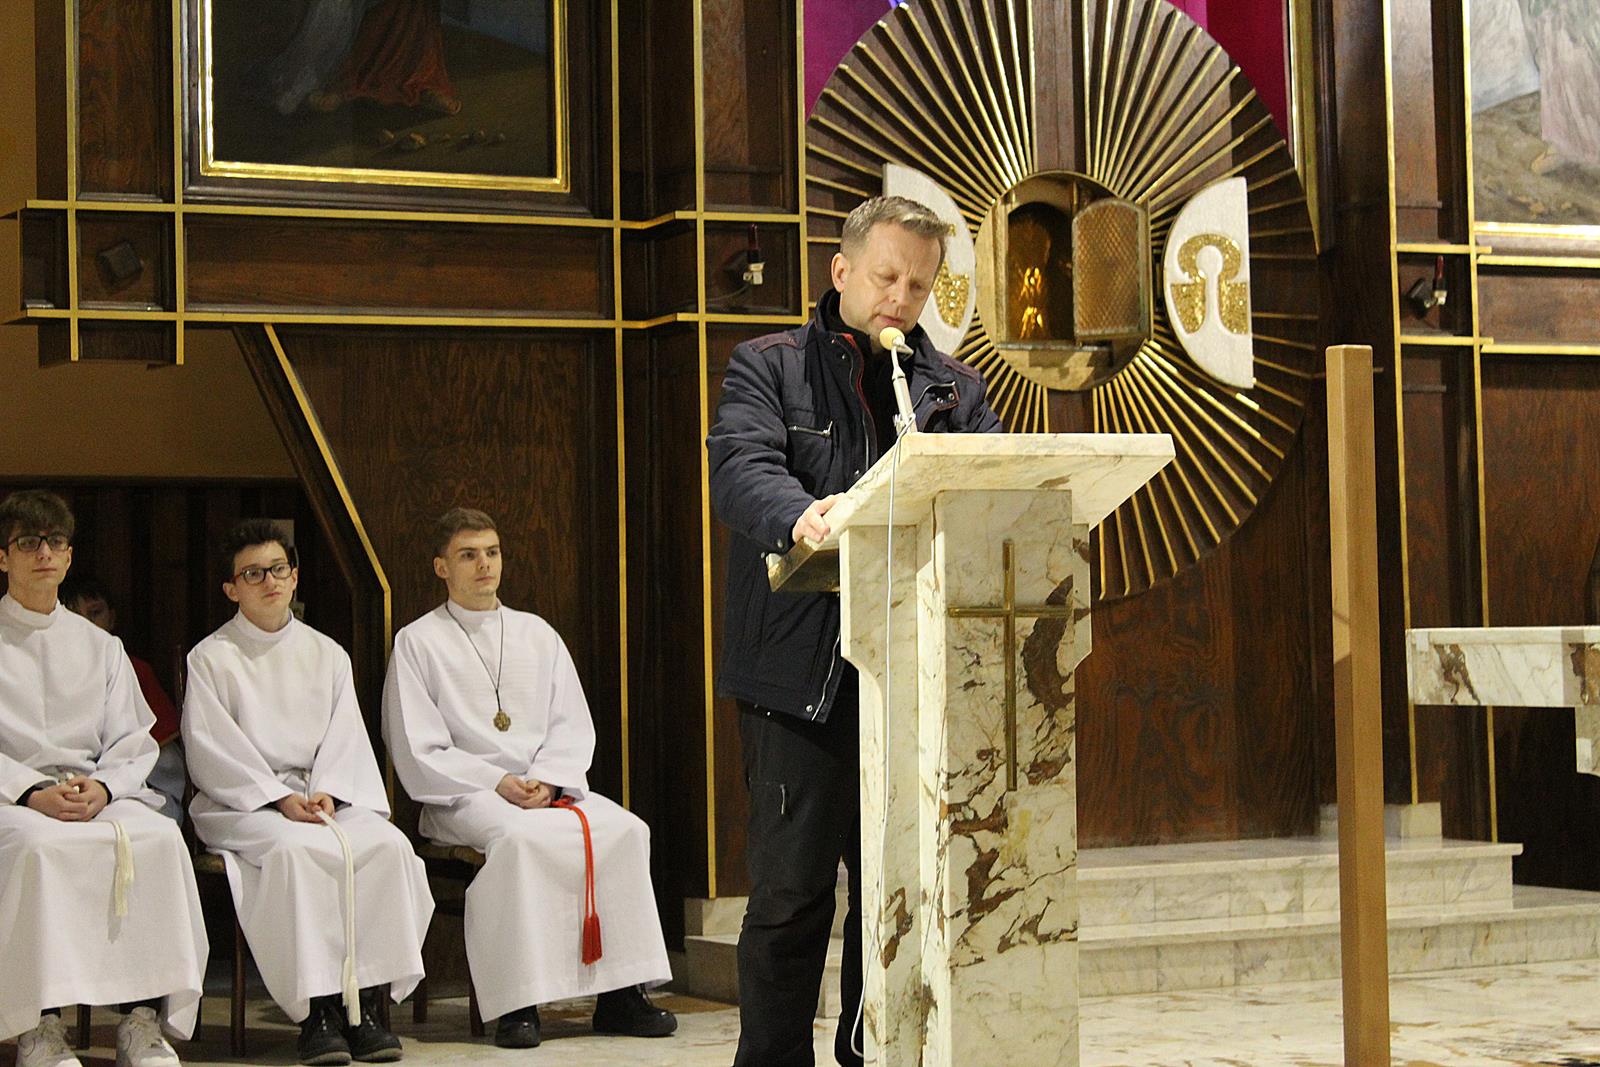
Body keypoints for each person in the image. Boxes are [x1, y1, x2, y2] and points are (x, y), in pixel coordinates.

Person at [705, 195, 1002, 1067]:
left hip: (912, 677)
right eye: (886, 277)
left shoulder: (952, 388)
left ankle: (874, 1054)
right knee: (792, 898)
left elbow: (993, 484)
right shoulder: (769, 365)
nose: (901, 298)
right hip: (802, 677)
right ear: (841, 270)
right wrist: (800, 516)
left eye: (919, 285)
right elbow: (740, 467)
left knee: (895, 895)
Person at [382, 507, 676, 1050]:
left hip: (543, 788)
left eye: (492, 553)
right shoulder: (418, 642)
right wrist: (495, 781)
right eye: (468, 555)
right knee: (518, 842)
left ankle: (621, 993)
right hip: (463, 795)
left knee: (627, 830)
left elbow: (571, 723)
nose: (484, 565)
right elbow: (417, 746)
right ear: (441, 567)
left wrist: (548, 779)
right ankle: (518, 1005)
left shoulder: (537, 634)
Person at [183, 520, 434, 1066]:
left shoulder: (328, 653)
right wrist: (277, 798)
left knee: (387, 847)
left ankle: (365, 1006)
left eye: (278, 569)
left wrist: (328, 792)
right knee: (297, 854)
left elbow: (346, 736)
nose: (269, 581)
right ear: (231, 588)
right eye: (253, 574)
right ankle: (318, 1011)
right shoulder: (211, 658)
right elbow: (212, 748)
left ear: (294, 576)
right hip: (243, 803)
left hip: (323, 797)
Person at [0, 490, 209, 1067]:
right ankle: (38, 1027)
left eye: (55, 542)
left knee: (157, 838)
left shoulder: (101, 646)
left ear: (69, 557)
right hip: (13, 797)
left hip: (93, 792)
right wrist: (31, 792)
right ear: (4, 557)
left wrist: (105, 788)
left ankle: (140, 1021)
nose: (44, 553)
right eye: (28, 542)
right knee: (39, 848)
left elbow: (133, 740)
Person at [60, 576, 186, 822]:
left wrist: (114, 782)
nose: (87, 624)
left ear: (112, 617)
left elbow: (163, 762)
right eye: (75, 616)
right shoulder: (51, 671)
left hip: (139, 787)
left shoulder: (135, 669)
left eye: (95, 613)